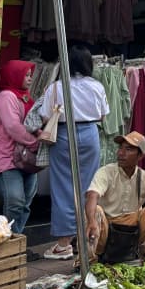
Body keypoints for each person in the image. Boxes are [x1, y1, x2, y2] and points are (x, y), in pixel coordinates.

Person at [36, 45, 110, 261]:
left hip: (63, 133)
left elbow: (44, 117)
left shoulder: (57, 87)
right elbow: (104, 116)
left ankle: (63, 244)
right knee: (90, 187)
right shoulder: (96, 86)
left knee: (63, 187)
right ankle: (86, 237)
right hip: (90, 133)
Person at [85, 132, 145, 260]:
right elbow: (92, 195)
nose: (121, 153)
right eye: (120, 148)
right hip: (106, 228)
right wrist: (92, 221)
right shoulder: (106, 172)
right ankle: (88, 259)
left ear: (140, 155)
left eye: (128, 149)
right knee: (95, 211)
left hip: (132, 229)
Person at [0, 60, 39, 235]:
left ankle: (16, 239)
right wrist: (35, 142)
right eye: (26, 75)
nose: (30, 79)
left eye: (30, 75)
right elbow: (13, 127)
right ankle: (12, 239)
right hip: (7, 157)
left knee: (25, 202)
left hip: (25, 157)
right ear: (14, 75)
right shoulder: (7, 96)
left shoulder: (24, 96)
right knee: (15, 201)